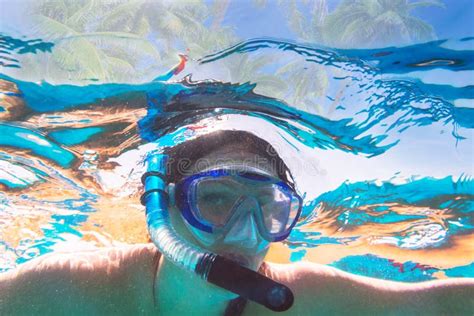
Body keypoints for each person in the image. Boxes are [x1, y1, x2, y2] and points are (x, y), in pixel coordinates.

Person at [1, 130, 473, 315]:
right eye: (216, 200)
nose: (245, 232)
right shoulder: (68, 291)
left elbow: (440, 308)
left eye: (268, 209)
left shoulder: (302, 298)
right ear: (160, 213)